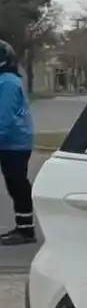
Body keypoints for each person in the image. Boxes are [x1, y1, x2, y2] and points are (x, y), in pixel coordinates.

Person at [0, 40, 34, 246]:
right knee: (16, 184)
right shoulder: (7, 80)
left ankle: (25, 231)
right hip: (11, 141)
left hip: (13, 143)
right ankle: (23, 228)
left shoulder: (7, 82)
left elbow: (4, 118)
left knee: (17, 184)